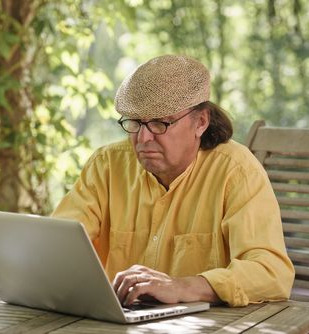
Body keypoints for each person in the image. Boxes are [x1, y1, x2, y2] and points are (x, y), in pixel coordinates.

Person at [51, 54, 295, 307]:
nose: (143, 138)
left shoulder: (236, 171)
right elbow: (56, 244)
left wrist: (184, 286)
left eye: (159, 123)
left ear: (200, 122)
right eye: (135, 122)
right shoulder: (106, 165)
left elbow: (271, 273)